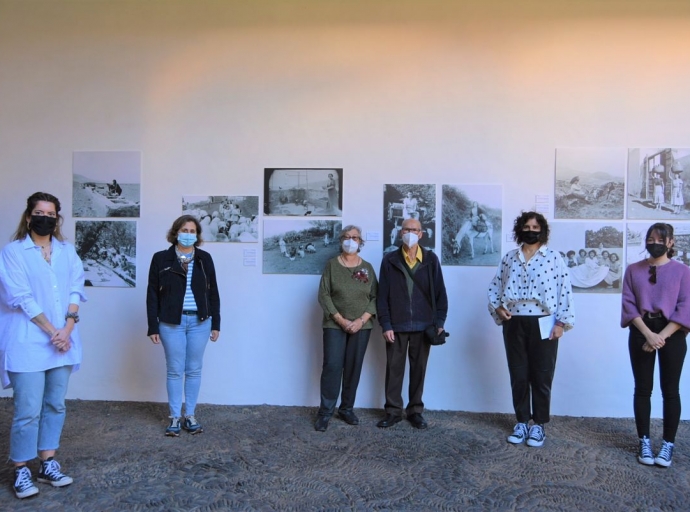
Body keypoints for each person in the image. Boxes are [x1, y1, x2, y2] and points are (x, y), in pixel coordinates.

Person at [0, 192, 86, 499]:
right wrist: (55, 332)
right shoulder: (13, 252)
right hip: (29, 342)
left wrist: (69, 327)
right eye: (40, 212)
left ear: (57, 219)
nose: (45, 218)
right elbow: (20, 297)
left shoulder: (66, 251)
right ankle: (21, 469)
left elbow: (76, 288)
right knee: (27, 410)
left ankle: (47, 462)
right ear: (28, 217)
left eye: (51, 214)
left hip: (63, 339)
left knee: (55, 404)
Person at [487, 211, 575, 447]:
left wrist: (561, 323)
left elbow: (564, 291)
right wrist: (497, 308)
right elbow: (496, 287)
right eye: (526, 226)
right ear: (519, 229)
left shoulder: (554, 258)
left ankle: (539, 425)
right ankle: (522, 421)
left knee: (542, 374)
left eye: (536, 227)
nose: (531, 230)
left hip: (544, 321)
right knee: (519, 373)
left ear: (543, 230)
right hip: (514, 321)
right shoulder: (509, 258)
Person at [621, 223, 690, 467]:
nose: (654, 243)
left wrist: (660, 336)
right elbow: (629, 305)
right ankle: (644, 441)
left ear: (670, 243)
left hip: (672, 333)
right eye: (650, 239)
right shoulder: (633, 270)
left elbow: (686, 308)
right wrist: (649, 334)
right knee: (643, 389)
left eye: (660, 239)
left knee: (670, 391)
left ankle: (668, 444)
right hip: (642, 331)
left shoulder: (683, 272)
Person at [146, 215, 221, 437]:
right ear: (175, 232)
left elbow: (213, 292)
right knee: (175, 370)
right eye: (184, 230)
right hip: (171, 322)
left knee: (194, 369)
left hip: (200, 322)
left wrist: (216, 323)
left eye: (192, 231)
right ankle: (174, 418)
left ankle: (190, 415)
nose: (188, 234)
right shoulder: (161, 258)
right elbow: (152, 294)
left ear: (197, 235)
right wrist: (153, 326)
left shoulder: (204, 259)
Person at [376, 218, 448, 430]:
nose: (410, 232)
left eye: (415, 229)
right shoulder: (389, 260)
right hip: (396, 326)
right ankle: (393, 411)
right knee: (394, 369)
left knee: (419, 370)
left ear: (421, 234)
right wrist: (386, 324)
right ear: (400, 232)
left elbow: (440, 294)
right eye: (407, 229)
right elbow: (382, 297)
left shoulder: (431, 260)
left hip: (423, 326)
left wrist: (439, 322)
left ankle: (415, 411)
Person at [315, 226, 378, 431]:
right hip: (335, 324)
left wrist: (361, 320)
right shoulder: (331, 265)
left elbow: (375, 297)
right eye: (347, 237)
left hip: (362, 325)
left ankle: (346, 408)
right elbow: (324, 295)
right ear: (341, 240)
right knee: (332, 366)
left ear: (361, 243)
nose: (351, 241)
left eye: (355, 238)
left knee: (353, 367)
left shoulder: (367, 267)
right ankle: (325, 412)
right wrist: (341, 320)